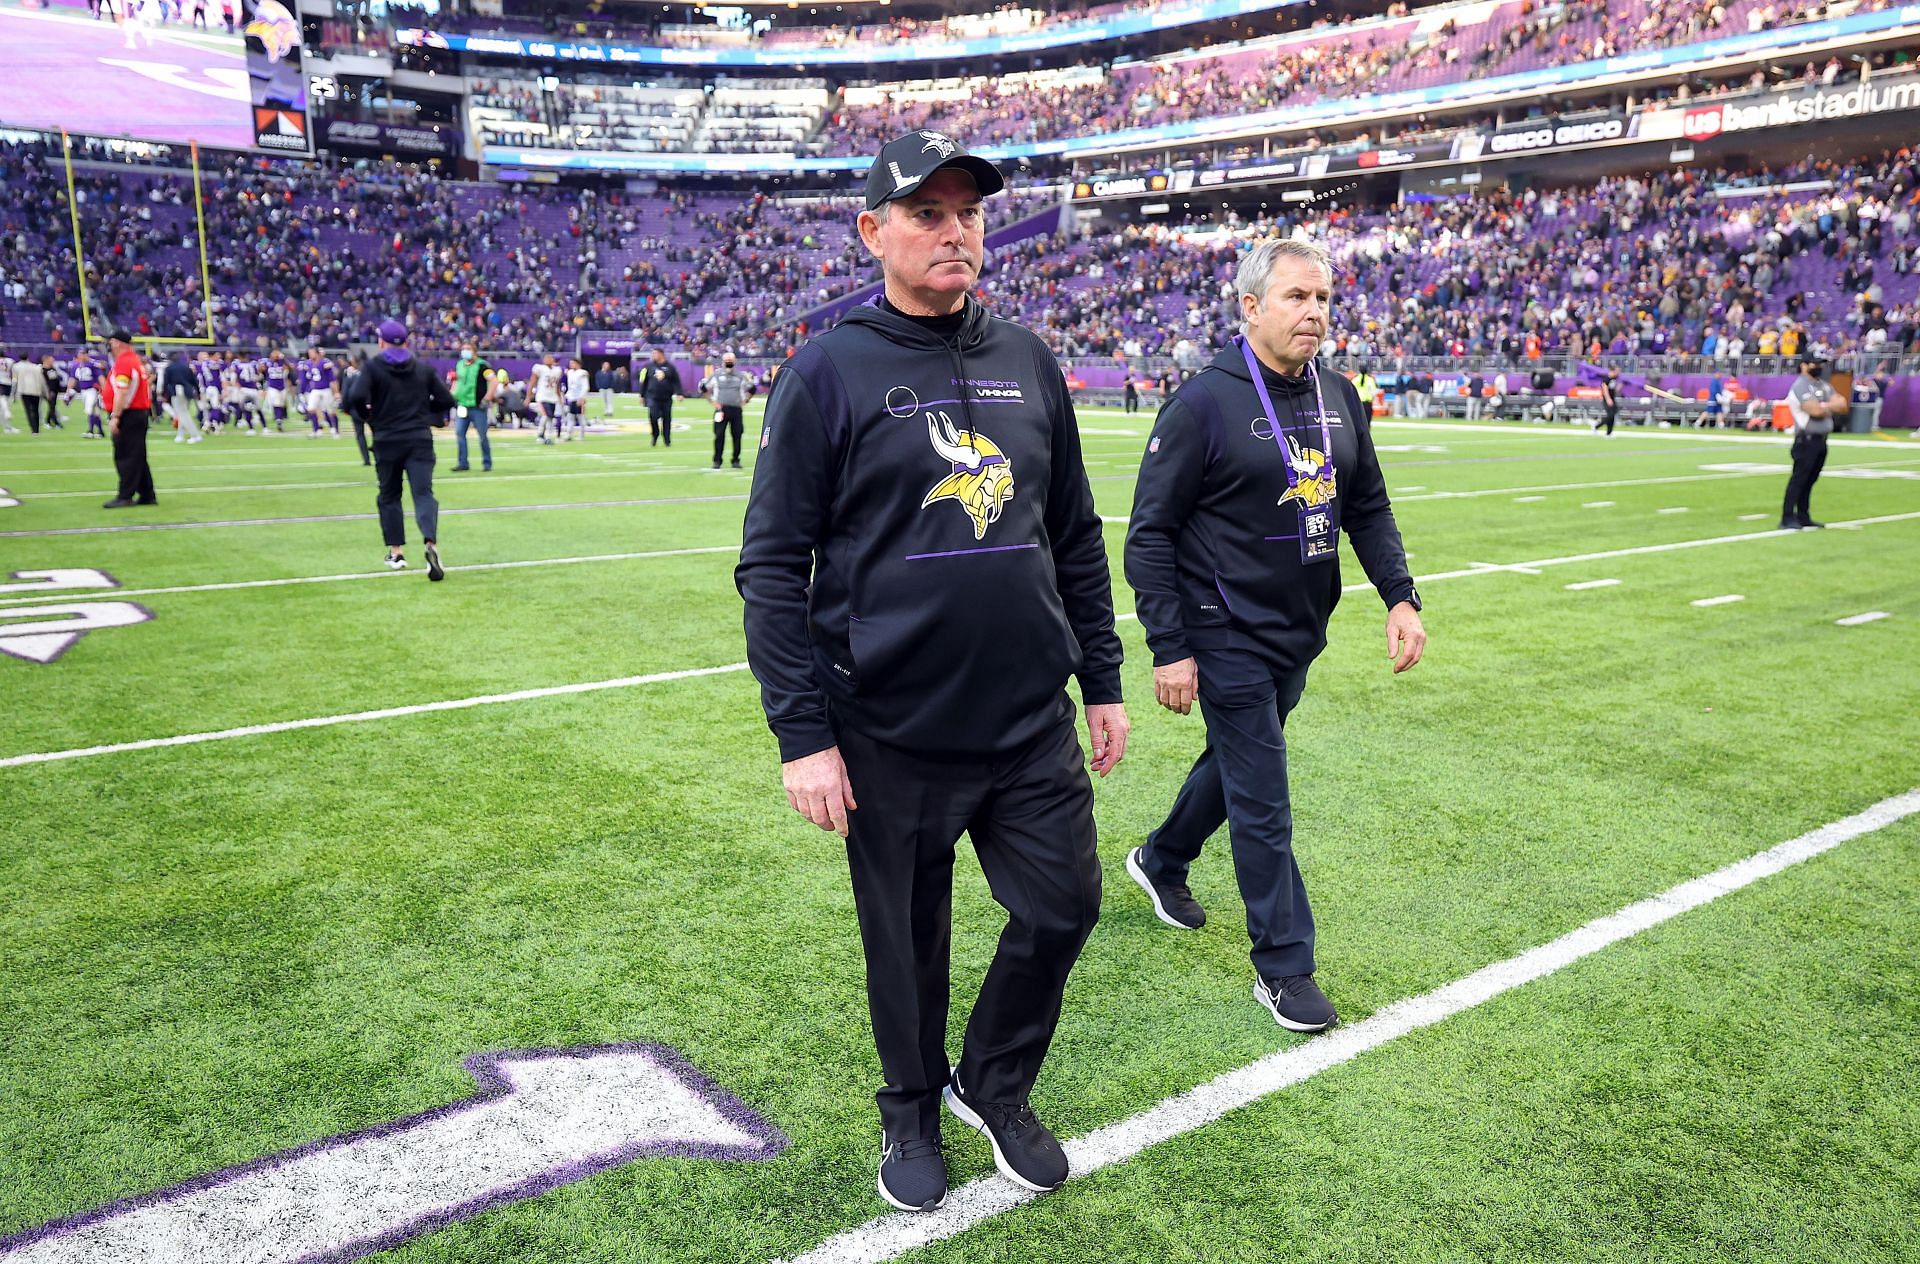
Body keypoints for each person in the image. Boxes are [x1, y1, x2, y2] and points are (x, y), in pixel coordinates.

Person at [736, 131, 1128, 1214]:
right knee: (906, 943)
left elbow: (1075, 533)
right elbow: (771, 564)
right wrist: (802, 735)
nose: (956, 229)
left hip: (1027, 719)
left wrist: (1101, 676)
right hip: (887, 726)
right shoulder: (827, 370)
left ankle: (992, 1082)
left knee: (1063, 907)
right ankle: (909, 1107)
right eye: (927, 212)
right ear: (874, 232)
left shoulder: (1028, 359)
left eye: (969, 211)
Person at [1123, 237, 1425, 1034]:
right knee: (1264, 797)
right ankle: (1285, 968)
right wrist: (1170, 646)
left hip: (1300, 626)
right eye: (1297, 298)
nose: (1315, 313)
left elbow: (1367, 504)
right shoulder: (1203, 403)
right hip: (1223, 630)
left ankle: (1161, 858)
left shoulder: (1339, 394)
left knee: (1235, 763)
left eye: (1323, 298)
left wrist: (1400, 596)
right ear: (1251, 307)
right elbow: (1148, 535)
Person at [343, 319, 454, 579]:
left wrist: (368, 416)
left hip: (387, 439)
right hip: (419, 439)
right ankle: (431, 544)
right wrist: (429, 417)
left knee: (390, 495)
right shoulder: (422, 369)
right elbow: (447, 399)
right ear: (406, 342)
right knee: (424, 494)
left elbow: (355, 397)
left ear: (381, 342)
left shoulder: (373, 368)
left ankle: (397, 552)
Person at [1779, 358, 1843, 531]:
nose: (1818, 367)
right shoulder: (1801, 386)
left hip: (1821, 440)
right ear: (1804, 365)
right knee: (1799, 479)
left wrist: (1824, 406)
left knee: (1810, 479)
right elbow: (1815, 411)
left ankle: (1803, 515)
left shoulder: (1823, 385)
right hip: (1806, 440)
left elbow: (1842, 404)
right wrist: (1829, 406)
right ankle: (1787, 516)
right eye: (1814, 363)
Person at [102, 330, 157, 508]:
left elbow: (122, 391)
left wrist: (115, 416)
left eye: (110, 341)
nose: (108, 345)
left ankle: (125, 496)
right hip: (137, 414)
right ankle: (147, 494)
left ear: (117, 343)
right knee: (137, 456)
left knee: (126, 456)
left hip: (129, 414)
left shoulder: (125, 363)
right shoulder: (133, 361)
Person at [703, 351, 753, 469]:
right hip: (721, 410)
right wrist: (712, 402)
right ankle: (717, 460)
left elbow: (752, 389)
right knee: (719, 435)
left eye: (731, 361)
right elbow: (704, 388)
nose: (729, 364)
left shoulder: (741, 376)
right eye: (727, 361)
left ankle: (735, 459)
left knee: (737, 435)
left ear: (734, 362)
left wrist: (745, 401)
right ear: (723, 362)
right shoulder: (716, 375)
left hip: (736, 410)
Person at [451, 342, 493, 471]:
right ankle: (463, 463)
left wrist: (487, 398)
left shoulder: (483, 366)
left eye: (468, 349)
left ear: (474, 351)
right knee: (459, 434)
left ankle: (487, 463)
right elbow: (457, 382)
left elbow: (494, 381)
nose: (465, 351)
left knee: (482, 436)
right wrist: (452, 395)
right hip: (463, 405)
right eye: (463, 349)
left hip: (478, 406)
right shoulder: (460, 365)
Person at [161, 348, 202, 444]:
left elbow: (166, 382)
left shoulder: (169, 368)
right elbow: (194, 381)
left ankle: (195, 435)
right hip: (188, 391)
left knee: (183, 414)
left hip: (178, 391)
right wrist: (198, 392)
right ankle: (180, 435)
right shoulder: (186, 366)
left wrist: (164, 394)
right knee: (183, 413)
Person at [642, 347, 681, 447]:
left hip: (666, 398)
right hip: (653, 397)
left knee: (667, 419)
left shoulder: (670, 367)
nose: (653, 355)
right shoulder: (649, 366)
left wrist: (679, 393)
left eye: (655, 353)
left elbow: (676, 381)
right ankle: (655, 435)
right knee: (653, 416)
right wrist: (642, 395)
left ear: (661, 354)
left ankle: (667, 440)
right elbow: (645, 381)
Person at [300, 345, 341, 439]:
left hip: (326, 389)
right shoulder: (308, 364)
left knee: (331, 411)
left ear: (317, 353)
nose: (310, 354)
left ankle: (336, 430)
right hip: (315, 390)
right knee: (311, 409)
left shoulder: (324, 363)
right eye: (309, 353)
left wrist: (336, 392)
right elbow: (307, 378)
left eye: (312, 353)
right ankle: (316, 430)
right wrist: (302, 390)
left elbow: (332, 379)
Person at [70, 349, 107, 437]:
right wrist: (69, 390)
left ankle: (90, 431)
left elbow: (101, 375)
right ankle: (101, 431)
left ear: (87, 355)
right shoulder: (76, 366)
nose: (82, 356)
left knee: (90, 409)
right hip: (83, 391)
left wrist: (105, 389)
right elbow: (73, 379)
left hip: (92, 390)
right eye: (80, 354)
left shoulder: (93, 365)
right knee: (95, 412)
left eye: (83, 354)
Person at [530, 353, 563, 445]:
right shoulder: (539, 368)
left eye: (550, 358)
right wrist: (529, 396)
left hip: (552, 397)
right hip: (542, 396)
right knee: (546, 416)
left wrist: (559, 397)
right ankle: (540, 434)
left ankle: (547, 437)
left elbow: (557, 386)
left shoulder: (557, 370)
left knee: (550, 417)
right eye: (547, 358)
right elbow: (532, 382)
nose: (548, 360)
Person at [12, 352, 48, 434]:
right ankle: (37, 429)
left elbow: (14, 380)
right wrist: (46, 392)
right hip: (36, 390)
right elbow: (42, 380)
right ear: (28, 357)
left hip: (24, 390)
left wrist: (13, 395)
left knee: (28, 410)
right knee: (36, 410)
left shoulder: (16, 366)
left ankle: (33, 429)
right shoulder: (35, 367)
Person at [565, 357, 591, 440]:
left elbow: (585, 386)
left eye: (573, 363)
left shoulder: (582, 373)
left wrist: (581, 398)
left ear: (578, 364)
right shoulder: (570, 372)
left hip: (579, 398)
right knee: (570, 416)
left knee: (580, 416)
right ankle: (569, 434)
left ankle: (582, 435)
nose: (571, 365)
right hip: (571, 397)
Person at [1596, 370, 1620, 436]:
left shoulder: (1614, 379)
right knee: (1610, 415)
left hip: (1613, 399)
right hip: (1607, 399)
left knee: (1613, 415)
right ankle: (1597, 426)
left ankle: (1609, 432)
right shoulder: (1606, 379)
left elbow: (1614, 389)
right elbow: (1605, 389)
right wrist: (1608, 398)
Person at [0, 347, 17, 433]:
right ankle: (7, 412)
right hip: (7, 382)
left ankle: (7, 427)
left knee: (2, 404)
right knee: (4, 401)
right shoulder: (10, 360)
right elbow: (14, 372)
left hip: (2, 382)